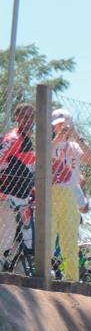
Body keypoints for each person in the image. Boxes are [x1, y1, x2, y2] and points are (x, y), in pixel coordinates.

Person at [51, 108, 91, 281]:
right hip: (52, 193)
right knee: (48, 237)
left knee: (69, 241)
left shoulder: (75, 146)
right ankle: (42, 271)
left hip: (69, 195)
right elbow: (43, 155)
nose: (61, 127)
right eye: (58, 125)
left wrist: (77, 135)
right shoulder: (50, 143)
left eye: (65, 124)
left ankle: (71, 277)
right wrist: (59, 137)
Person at [0, 103, 36, 265]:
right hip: (8, 196)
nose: (28, 120)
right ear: (17, 117)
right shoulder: (14, 138)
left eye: (31, 116)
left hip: (21, 197)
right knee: (6, 237)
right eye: (24, 116)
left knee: (21, 240)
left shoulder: (26, 139)